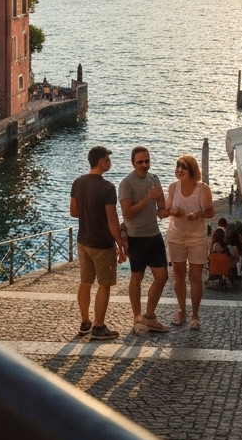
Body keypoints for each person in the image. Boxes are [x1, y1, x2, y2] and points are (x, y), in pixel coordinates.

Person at [70, 145, 128, 340]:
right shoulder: (107, 188)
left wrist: (88, 211)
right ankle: (98, 326)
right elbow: (112, 219)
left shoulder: (78, 182)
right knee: (104, 285)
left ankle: (85, 321)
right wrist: (120, 242)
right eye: (107, 160)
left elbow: (73, 211)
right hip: (102, 244)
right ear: (100, 162)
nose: (109, 163)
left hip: (83, 241)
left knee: (85, 282)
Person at [118, 146, 169, 336]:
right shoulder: (126, 183)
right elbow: (127, 212)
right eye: (140, 162)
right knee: (137, 278)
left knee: (162, 277)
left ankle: (150, 316)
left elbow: (161, 210)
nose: (144, 165)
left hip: (154, 235)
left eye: (147, 161)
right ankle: (137, 318)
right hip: (136, 236)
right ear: (133, 163)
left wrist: (170, 210)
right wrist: (148, 197)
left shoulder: (154, 179)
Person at [163, 154, 214, 330]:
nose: (179, 170)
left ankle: (195, 315)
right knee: (178, 276)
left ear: (191, 170)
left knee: (195, 276)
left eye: (183, 167)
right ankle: (182, 310)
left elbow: (210, 212)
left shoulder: (203, 189)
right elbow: (165, 208)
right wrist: (172, 211)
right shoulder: (173, 187)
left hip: (197, 238)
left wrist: (197, 214)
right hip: (176, 236)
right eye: (177, 167)